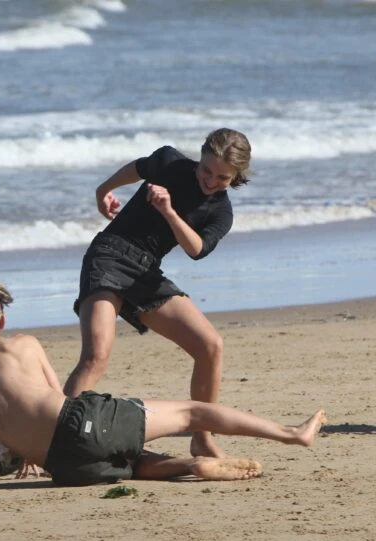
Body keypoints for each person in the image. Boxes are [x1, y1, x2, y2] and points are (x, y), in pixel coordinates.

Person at [0, 273, 327, 487]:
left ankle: (189, 465)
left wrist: (9, 454)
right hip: (79, 423)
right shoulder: (25, 345)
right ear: (3, 319)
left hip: (64, 468)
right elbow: (56, 399)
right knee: (191, 412)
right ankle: (292, 434)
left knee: (130, 460)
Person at [62, 128, 252, 461]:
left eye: (222, 177)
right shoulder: (169, 162)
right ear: (200, 157)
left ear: (236, 176)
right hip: (108, 256)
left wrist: (169, 211)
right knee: (96, 355)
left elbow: (197, 249)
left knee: (210, 345)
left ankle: (202, 438)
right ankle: (50, 438)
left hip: (146, 272)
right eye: (206, 170)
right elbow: (136, 168)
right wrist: (103, 191)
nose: (210, 180)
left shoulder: (221, 212)